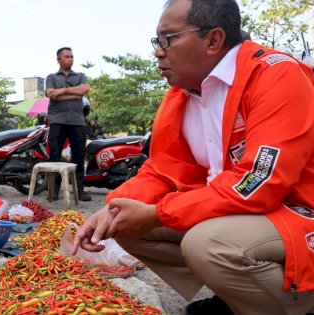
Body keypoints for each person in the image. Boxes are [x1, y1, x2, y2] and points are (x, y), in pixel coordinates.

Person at [72, 1, 314, 314]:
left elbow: (257, 183)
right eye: (156, 41)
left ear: (213, 40)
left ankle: (298, 303)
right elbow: (161, 171)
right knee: (125, 224)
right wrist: (114, 207)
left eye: (167, 39)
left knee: (207, 245)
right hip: (242, 211)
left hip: (298, 210)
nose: (158, 51)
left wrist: (160, 213)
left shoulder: (275, 75)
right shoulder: (183, 94)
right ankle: (237, 297)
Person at [45, 47, 92, 201]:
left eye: (72, 56)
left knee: (78, 157)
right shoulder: (51, 77)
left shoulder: (80, 76)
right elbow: (52, 95)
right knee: (55, 157)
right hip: (57, 121)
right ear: (59, 59)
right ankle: (53, 191)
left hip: (77, 121)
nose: (70, 59)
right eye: (67, 57)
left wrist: (63, 91)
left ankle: (80, 190)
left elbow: (85, 90)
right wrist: (74, 93)